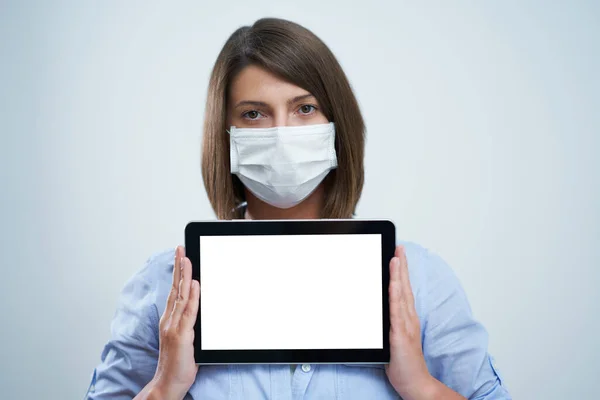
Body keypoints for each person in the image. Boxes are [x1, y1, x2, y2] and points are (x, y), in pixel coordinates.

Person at [86, 17, 510, 400]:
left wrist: (419, 385)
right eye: (254, 115)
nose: (282, 133)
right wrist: (164, 388)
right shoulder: (168, 290)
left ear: (336, 126)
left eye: (305, 108)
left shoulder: (416, 281)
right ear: (226, 137)